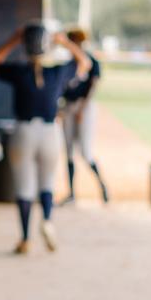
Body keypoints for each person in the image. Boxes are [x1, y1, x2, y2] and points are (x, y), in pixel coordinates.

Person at [0, 24, 90, 255]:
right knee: (47, 182)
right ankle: (47, 221)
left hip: (24, 131)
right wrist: (63, 41)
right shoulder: (57, 72)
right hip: (50, 131)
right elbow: (85, 62)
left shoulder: (20, 71)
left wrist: (14, 39)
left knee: (24, 186)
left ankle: (25, 238)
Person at [59, 28, 109, 205]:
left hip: (84, 107)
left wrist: (83, 108)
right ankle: (71, 194)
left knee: (86, 152)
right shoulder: (68, 65)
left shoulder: (90, 61)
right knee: (69, 151)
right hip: (69, 107)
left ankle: (103, 187)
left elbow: (93, 85)